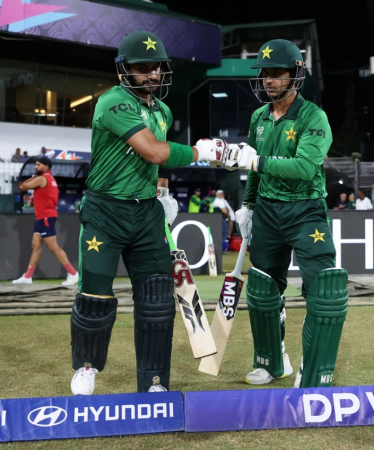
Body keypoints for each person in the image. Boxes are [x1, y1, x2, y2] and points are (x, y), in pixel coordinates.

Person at [67, 31, 223, 396]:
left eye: (157, 67)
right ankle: (87, 368)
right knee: (95, 295)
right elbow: (153, 151)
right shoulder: (112, 102)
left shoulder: (162, 111)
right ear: (123, 70)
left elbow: (159, 161)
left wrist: (162, 191)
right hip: (106, 211)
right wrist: (201, 152)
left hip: (146, 214)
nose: (152, 74)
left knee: (156, 300)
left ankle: (154, 382)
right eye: (143, 68)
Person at [224, 39, 346, 389]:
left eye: (277, 73)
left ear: (295, 75)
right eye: (265, 74)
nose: (269, 80)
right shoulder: (259, 117)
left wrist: (256, 162)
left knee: (324, 289)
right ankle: (271, 362)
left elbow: (304, 168)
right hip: (267, 212)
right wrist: (248, 204)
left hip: (306, 211)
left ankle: (315, 371)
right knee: (263, 289)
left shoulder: (314, 117)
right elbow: (254, 168)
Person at [13, 157, 79, 286]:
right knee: (35, 245)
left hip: (45, 217)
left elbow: (23, 186)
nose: (36, 167)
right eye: (35, 165)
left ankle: (73, 273)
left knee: (52, 246)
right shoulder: (50, 178)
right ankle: (28, 276)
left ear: (46, 166)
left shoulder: (42, 178)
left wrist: (33, 176)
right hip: (42, 217)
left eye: (38, 165)